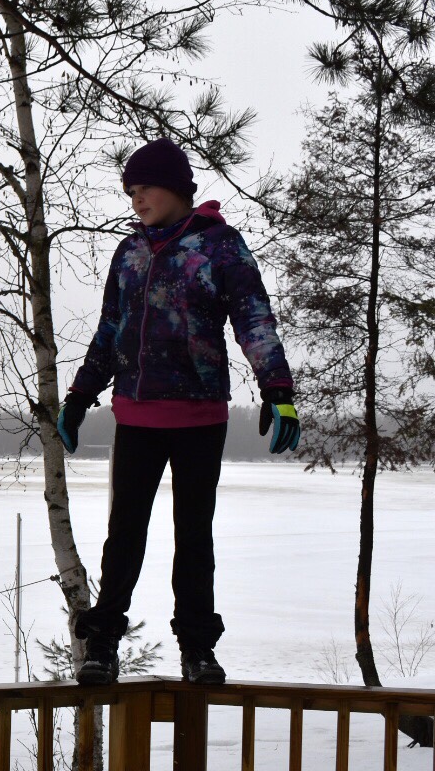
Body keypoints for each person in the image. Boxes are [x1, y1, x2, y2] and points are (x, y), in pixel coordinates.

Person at [57, 137, 299, 686]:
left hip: (198, 418)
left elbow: (254, 319)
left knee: (194, 538)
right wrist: (79, 395)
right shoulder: (130, 253)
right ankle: (102, 645)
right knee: (124, 535)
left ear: (175, 187)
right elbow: (110, 330)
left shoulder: (219, 246)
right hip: (136, 417)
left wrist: (278, 389)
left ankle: (197, 650)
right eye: (131, 192)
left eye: (145, 188)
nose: (137, 200)